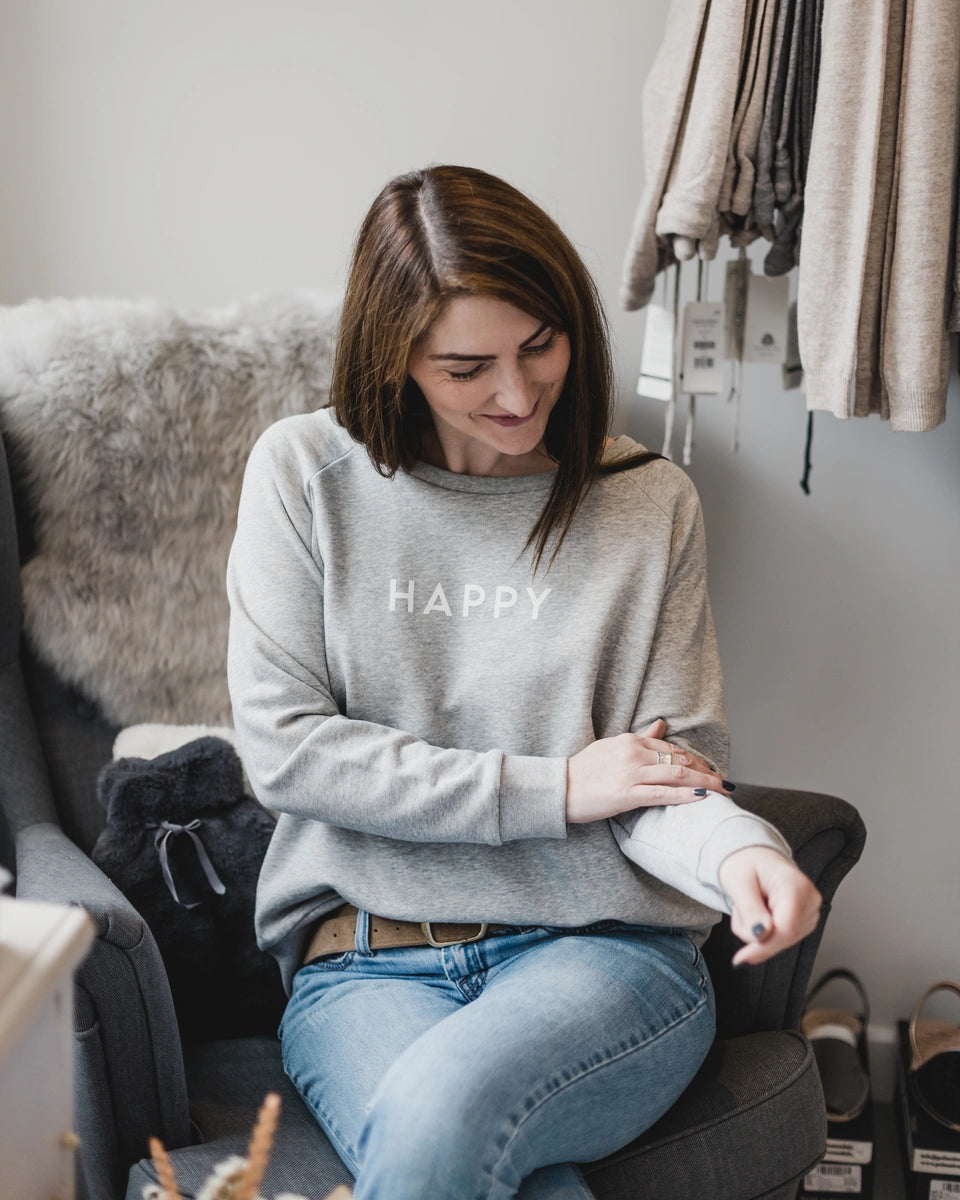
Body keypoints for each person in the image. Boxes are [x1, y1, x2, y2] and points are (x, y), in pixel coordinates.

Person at [226, 164, 822, 1200]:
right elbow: (288, 752)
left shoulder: (647, 503)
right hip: (363, 963)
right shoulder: (306, 476)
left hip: (604, 959)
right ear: (395, 356)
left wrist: (740, 856)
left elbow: (665, 776)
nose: (516, 393)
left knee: (440, 1113)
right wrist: (552, 790)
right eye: (467, 366)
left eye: (540, 344)